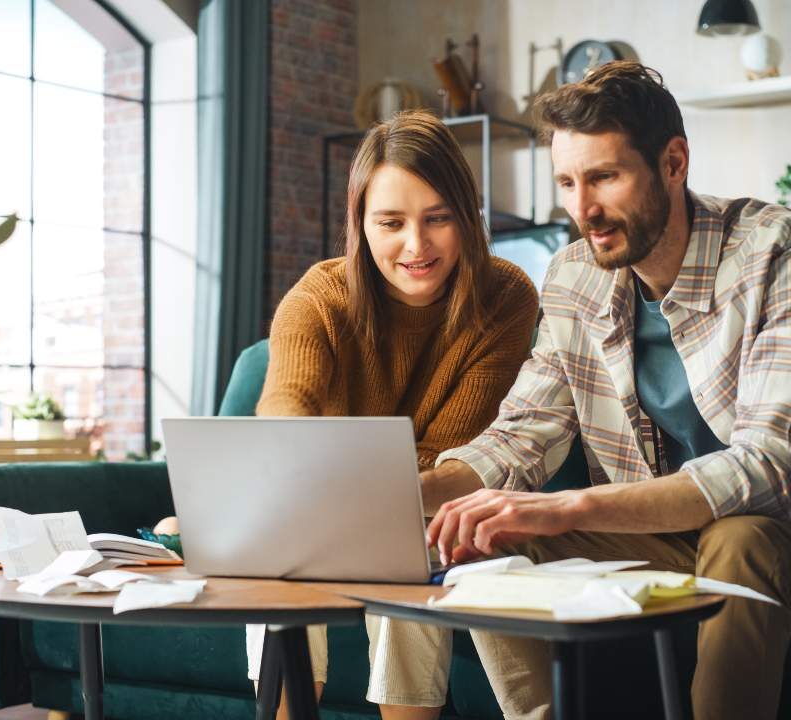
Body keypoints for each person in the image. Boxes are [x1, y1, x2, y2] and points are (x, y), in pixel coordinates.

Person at [422, 62, 791, 720]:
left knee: (741, 535)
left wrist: (567, 508)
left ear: (673, 162)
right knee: (487, 537)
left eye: (604, 177)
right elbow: (522, 434)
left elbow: (766, 466)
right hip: (654, 538)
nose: (582, 209)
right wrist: (398, 498)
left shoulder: (771, 255)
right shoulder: (573, 277)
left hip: (768, 534)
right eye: (566, 182)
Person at [248, 109, 540, 720]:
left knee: (410, 547)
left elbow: (453, 453)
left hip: (424, 504)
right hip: (317, 509)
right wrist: (300, 473)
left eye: (438, 218)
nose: (417, 245)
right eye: (391, 222)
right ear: (360, 224)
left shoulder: (506, 296)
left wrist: (363, 492)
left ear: (467, 216)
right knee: (278, 558)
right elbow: (284, 410)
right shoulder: (320, 297)